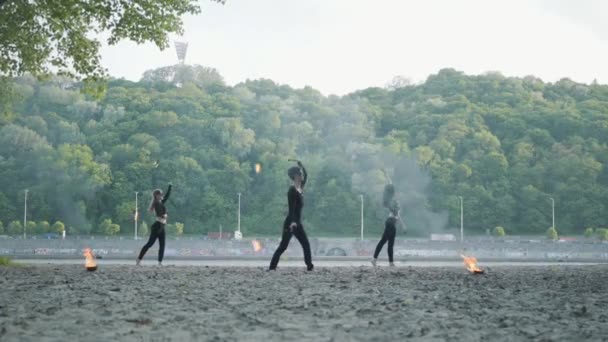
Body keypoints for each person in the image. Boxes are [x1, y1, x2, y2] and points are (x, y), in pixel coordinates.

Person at [268, 160, 314, 271]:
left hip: (298, 223)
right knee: (283, 247)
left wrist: (301, 165)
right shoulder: (291, 191)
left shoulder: (300, 188)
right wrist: (293, 222)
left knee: (306, 244)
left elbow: (307, 174)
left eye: (301, 173)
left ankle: (309, 266)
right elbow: (291, 208)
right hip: (290, 223)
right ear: (295, 176)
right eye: (300, 173)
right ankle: (272, 268)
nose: (302, 175)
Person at [371, 171, 403, 267]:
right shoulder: (392, 202)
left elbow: (398, 216)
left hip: (391, 224)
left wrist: (403, 225)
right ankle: (387, 262)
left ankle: (380, 260)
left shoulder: (391, 201)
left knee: (384, 242)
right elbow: (396, 214)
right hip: (390, 223)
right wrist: (387, 176)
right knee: (386, 243)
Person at [136, 183, 172, 266]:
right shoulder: (156, 203)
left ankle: (160, 262)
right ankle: (139, 259)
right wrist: (165, 215)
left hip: (162, 226)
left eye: (161, 194)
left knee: (162, 245)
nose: (161, 196)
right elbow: (159, 214)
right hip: (157, 226)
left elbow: (167, 196)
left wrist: (170, 188)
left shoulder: (161, 202)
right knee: (150, 244)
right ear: (156, 195)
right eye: (160, 195)